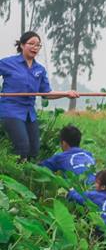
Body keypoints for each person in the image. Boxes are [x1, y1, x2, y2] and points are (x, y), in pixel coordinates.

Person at [0, 31, 79, 160]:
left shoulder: (40, 69)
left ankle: (28, 175)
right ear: (22, 45)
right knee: (22, 147)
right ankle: (15, 174)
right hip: (11, 111)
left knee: (34, 149)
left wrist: (66, 93)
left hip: (29, 113)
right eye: (31, 44)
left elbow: (46, 94)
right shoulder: (8, 63)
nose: (35, 48)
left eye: (38, 45)